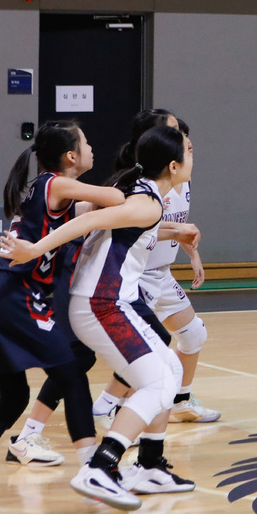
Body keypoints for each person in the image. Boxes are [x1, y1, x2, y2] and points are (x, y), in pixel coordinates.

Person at [0, 124, 200, 511]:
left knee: (170, 369)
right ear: (173, 166)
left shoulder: (144, 194)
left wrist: (175, 233)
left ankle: (149, 465)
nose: (193, 157)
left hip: (106, 301)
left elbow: (121, 226)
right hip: (101, 303)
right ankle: (101, 467)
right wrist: (35, 249)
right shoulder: (148, 202)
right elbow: (87, 222)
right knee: (158, 382)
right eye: (189, 152)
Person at [0, 122, 123, 510]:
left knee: (14, 396)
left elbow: (92, 211)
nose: (91, 147)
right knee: (71, 373)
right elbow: (114, 197)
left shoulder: (51, 193)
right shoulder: (56, 184)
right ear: (71, 156)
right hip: (14, 294)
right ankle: (93, 469)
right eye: (86, 142)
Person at [92, 111, 217, 425]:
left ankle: (180, 401)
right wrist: (176, 232)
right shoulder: (140, 186)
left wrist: (192, 254)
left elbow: (176, 224)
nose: (184, 137)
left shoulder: (181, 177)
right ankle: (110, 405)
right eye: (174, 131)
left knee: (193, 334)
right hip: (136, 276)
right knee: (149, 347)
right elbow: (137, 224)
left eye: (182, 132)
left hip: (162, 272)